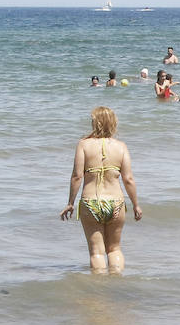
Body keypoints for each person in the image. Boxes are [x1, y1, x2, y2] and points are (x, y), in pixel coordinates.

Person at [59, 106, 143, 273]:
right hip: (116, 203)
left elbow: (77, 176)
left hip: (91, 203)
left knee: (97, 252)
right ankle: (116, 286)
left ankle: (98, 292)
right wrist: (136, 205)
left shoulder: (83, 145)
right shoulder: (121, 146)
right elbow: (128, 179)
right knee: (115, 249)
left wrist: (70, 203)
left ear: (95, 123)